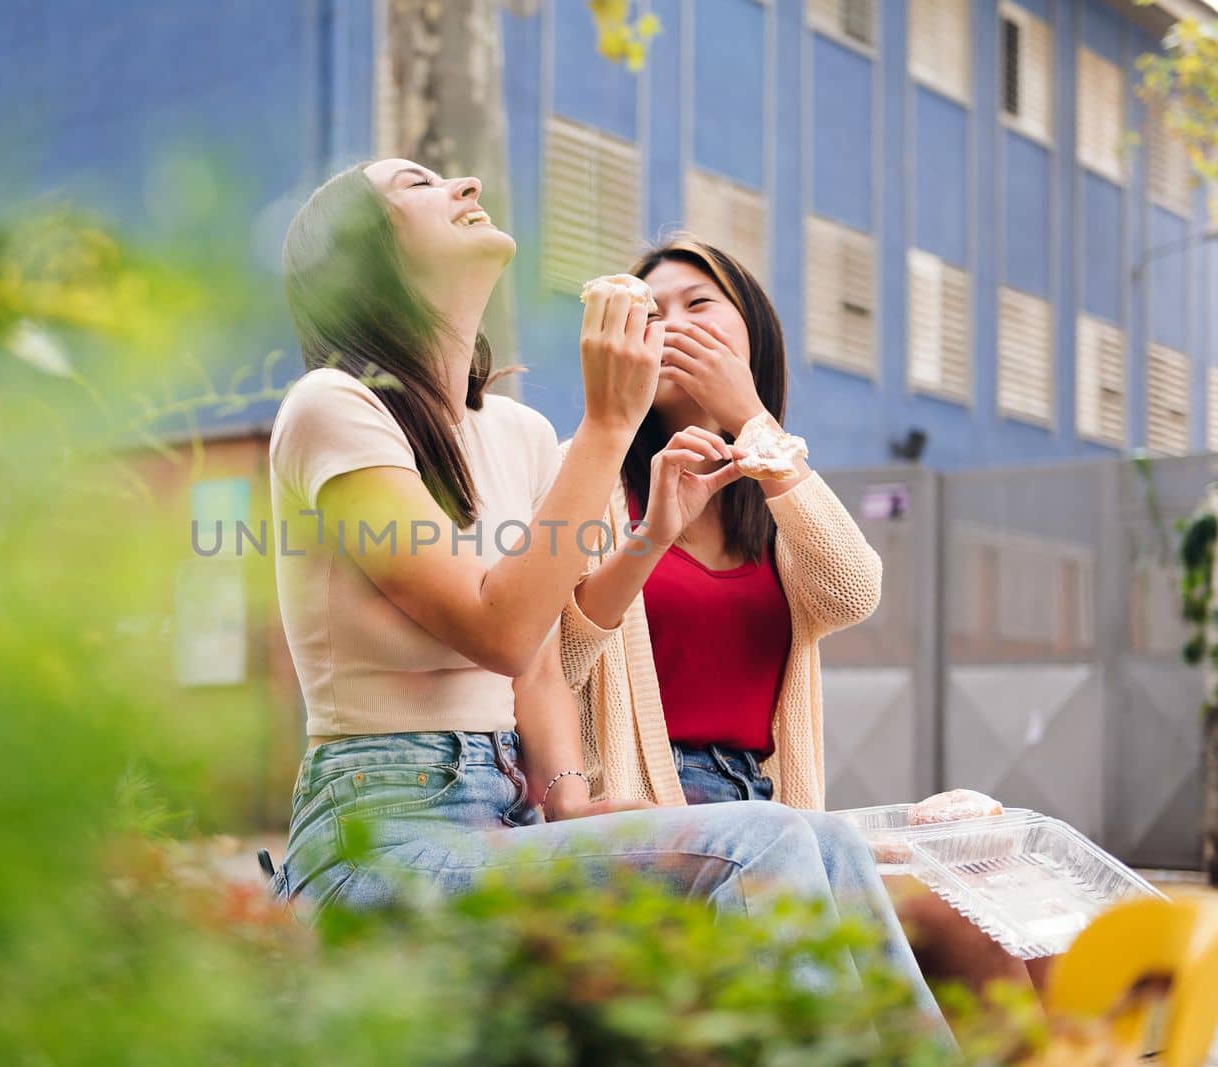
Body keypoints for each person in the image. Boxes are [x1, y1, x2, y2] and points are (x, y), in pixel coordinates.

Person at [266, 158, 946, 1024]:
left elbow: (540, 668)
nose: (467, 184)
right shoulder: (333, 406)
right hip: (379, 835)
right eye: (418, 185)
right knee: (762, 843)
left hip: (508, 814)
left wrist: (570, 797)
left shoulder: (515, 431)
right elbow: (499, 628)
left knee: (825, 834)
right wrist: (609, 425)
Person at [541, 232, 1032, 996]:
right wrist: (649, 538)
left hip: (769, 806)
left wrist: (752, 420)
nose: (671, 324)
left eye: (698, 303)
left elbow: (851, 586)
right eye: (649, 311)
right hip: (647, 814)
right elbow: (553, 658)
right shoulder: (586, 477)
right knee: (942, 919)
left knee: (992, 899)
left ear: (754, 337)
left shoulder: (773, 504)